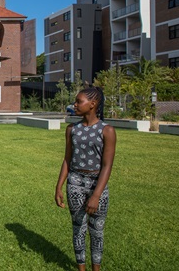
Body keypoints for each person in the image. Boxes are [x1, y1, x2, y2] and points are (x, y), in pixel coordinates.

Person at [55, 87, 116, 271]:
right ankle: (81, 269)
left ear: (93, 104)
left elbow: (107, 166)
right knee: (78, 228)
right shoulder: (72, 129)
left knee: (97, 231)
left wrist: (96, 195)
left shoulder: (107, 131)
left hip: (97, 184)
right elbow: (67, 159)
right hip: (75, 183)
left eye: (78, 101)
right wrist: (59, 187)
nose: (75, 104)